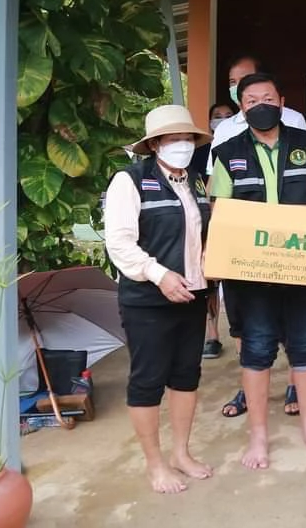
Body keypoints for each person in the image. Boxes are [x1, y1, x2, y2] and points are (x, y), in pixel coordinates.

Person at [210, 72, 306, 470]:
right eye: (251, 100)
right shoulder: (227, 151)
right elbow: (220, 210)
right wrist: (212, 257)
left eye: (267, 97)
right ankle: (259, 437)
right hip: (250, 272)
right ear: (241, 107)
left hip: (302, 267)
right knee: (257, 350)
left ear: (282, 101)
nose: (261, 105)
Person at [103, 105, 214, 494]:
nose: (181, 145)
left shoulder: (196, 182)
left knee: (186, 376)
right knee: (148, 381)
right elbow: (119, 242)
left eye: (187, 138)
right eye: (172, 138)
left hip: (193, 295)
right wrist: (159, 275)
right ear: (154, 144)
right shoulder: (129, 181)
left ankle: (182, 453)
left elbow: (201, 235)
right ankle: (156, 465)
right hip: (147, 300)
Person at [210, 56, 306, 418]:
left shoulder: (295, 122)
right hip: (243, 247)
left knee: (292, 320)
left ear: (279, 98)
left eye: (248, 79)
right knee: (244, 323)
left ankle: (295, 383)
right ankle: (247, 388)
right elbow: (217, 193)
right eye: (236, 82)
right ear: (237, 94)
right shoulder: (224, 132)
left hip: (290, 242)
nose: (241, 85)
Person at [193, 100, 236, 361]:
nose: (221, 120)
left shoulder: (239, 147)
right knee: (209, 278)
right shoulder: (200, 151)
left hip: (236, 218)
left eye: (227, 115)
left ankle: (240, 330)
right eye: (216, 116)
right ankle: (212, 334)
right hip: (206, 215)